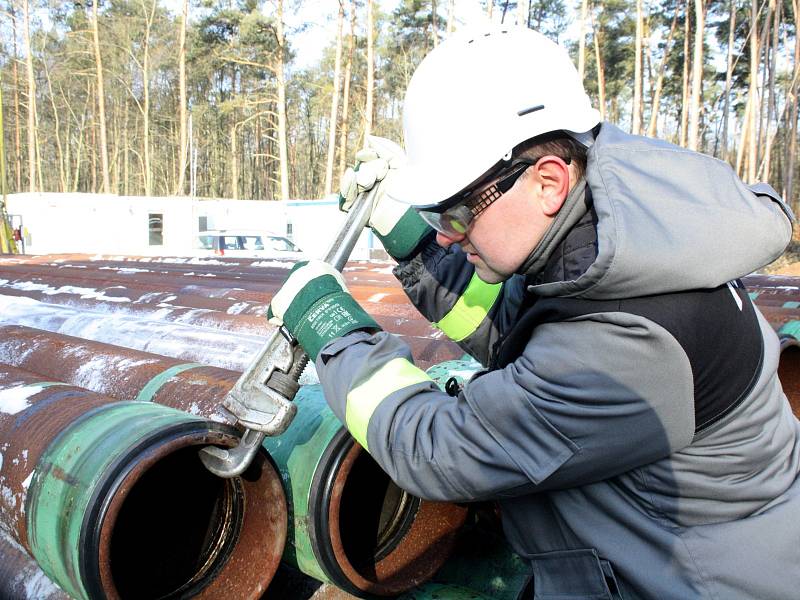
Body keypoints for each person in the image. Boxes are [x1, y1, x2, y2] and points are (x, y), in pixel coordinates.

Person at [268, 27, 800, 599]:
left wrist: (334, 330)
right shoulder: (627, 234)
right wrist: (416, 244)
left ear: (548, 180)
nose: (449, 236)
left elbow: (439, 449)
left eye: (459, 211)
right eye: (437, 215)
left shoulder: (628, 345)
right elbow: (516, 332)